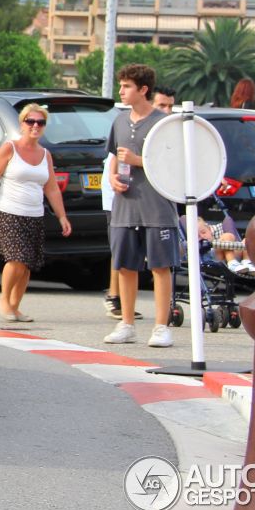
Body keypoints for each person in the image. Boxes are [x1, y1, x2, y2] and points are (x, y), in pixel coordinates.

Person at [104, 64, 180, 347]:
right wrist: (112, 176)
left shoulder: (164, 123)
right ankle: (126, 324)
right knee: (125, 266)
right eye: (121, 85)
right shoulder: (119, 121)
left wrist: (140, 162)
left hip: (157, 207)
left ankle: (161, 327)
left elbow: (174, 164)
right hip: (125, 206)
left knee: (161, 267)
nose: (121, 91)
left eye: (126, 86)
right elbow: (115, 155)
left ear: (143, 90)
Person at [0, 103, 72, 322]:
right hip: (9, 212)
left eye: (40, 122)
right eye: (30, 121)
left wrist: (62, 216)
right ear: (22, 124)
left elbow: (51, 188)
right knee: (16, 259)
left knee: (27, 264)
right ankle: (4, 299)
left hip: (34, 214)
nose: (35, 126)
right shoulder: (10, 148)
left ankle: (14, 306)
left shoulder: (45, 154)